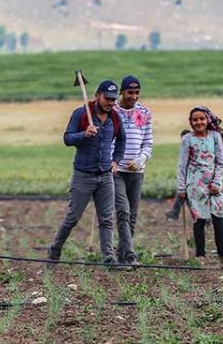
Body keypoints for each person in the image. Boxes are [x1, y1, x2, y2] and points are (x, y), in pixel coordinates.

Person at [48, 81, 126, 263]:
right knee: (73, 218)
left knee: (106, 219)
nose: (111, 103)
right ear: (97, 95)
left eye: (114, 100)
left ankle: (108, 257)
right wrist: (84, 134)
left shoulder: (115, 117)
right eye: (107, 98)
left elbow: (122, 140)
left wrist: (116, 161)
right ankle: (55, 249)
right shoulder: (81, 114)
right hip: (83, 175)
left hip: (106, 175)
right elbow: (67, 138)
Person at [177, 106, 223, 267]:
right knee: (199, 219)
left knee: (219, 217)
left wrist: (217, 182)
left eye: (202, 119)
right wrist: (181, 188)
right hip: (195, 184)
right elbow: (182, 165)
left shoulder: (215, 137)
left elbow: (220, 162)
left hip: (214, 183)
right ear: (190, 122)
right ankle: (200, 254)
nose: (199, 122)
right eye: (195, 120)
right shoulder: (187, 140)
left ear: (207, 120)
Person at [114, 75, 153, 265]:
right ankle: (130, 256)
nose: (134, 96)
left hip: (137, 170)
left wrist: (141, 158)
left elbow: (148, 142)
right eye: (130, 92)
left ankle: (122, 253)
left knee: (133, 214)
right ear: (121, 92)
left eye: (137, 92)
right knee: (123, 211)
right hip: (116, 170)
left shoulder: (145, 113)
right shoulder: (112, 111)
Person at [165, 130, 193, 220]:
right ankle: (174, 212)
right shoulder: (185, 147)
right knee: (183, 195)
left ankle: (174, 212)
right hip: (187, 178)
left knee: (186, 196)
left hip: (193, 177)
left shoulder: (193, 147)